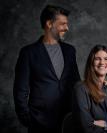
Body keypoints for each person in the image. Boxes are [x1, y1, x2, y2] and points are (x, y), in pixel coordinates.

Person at [13, 5, 80, 133]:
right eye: (63, 24)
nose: (67, 28)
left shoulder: (70, 50)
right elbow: (20, 90)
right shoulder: (28, 53)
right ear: (49, 24)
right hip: (39, 122)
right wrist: (28, 118)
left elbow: (76, 82)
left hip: (68, 120)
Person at [72, 45, 107, 133]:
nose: (102, 62)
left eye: (106, 59)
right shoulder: (81, 88)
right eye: (97, 59)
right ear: (91, 62)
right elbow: (87, 128)